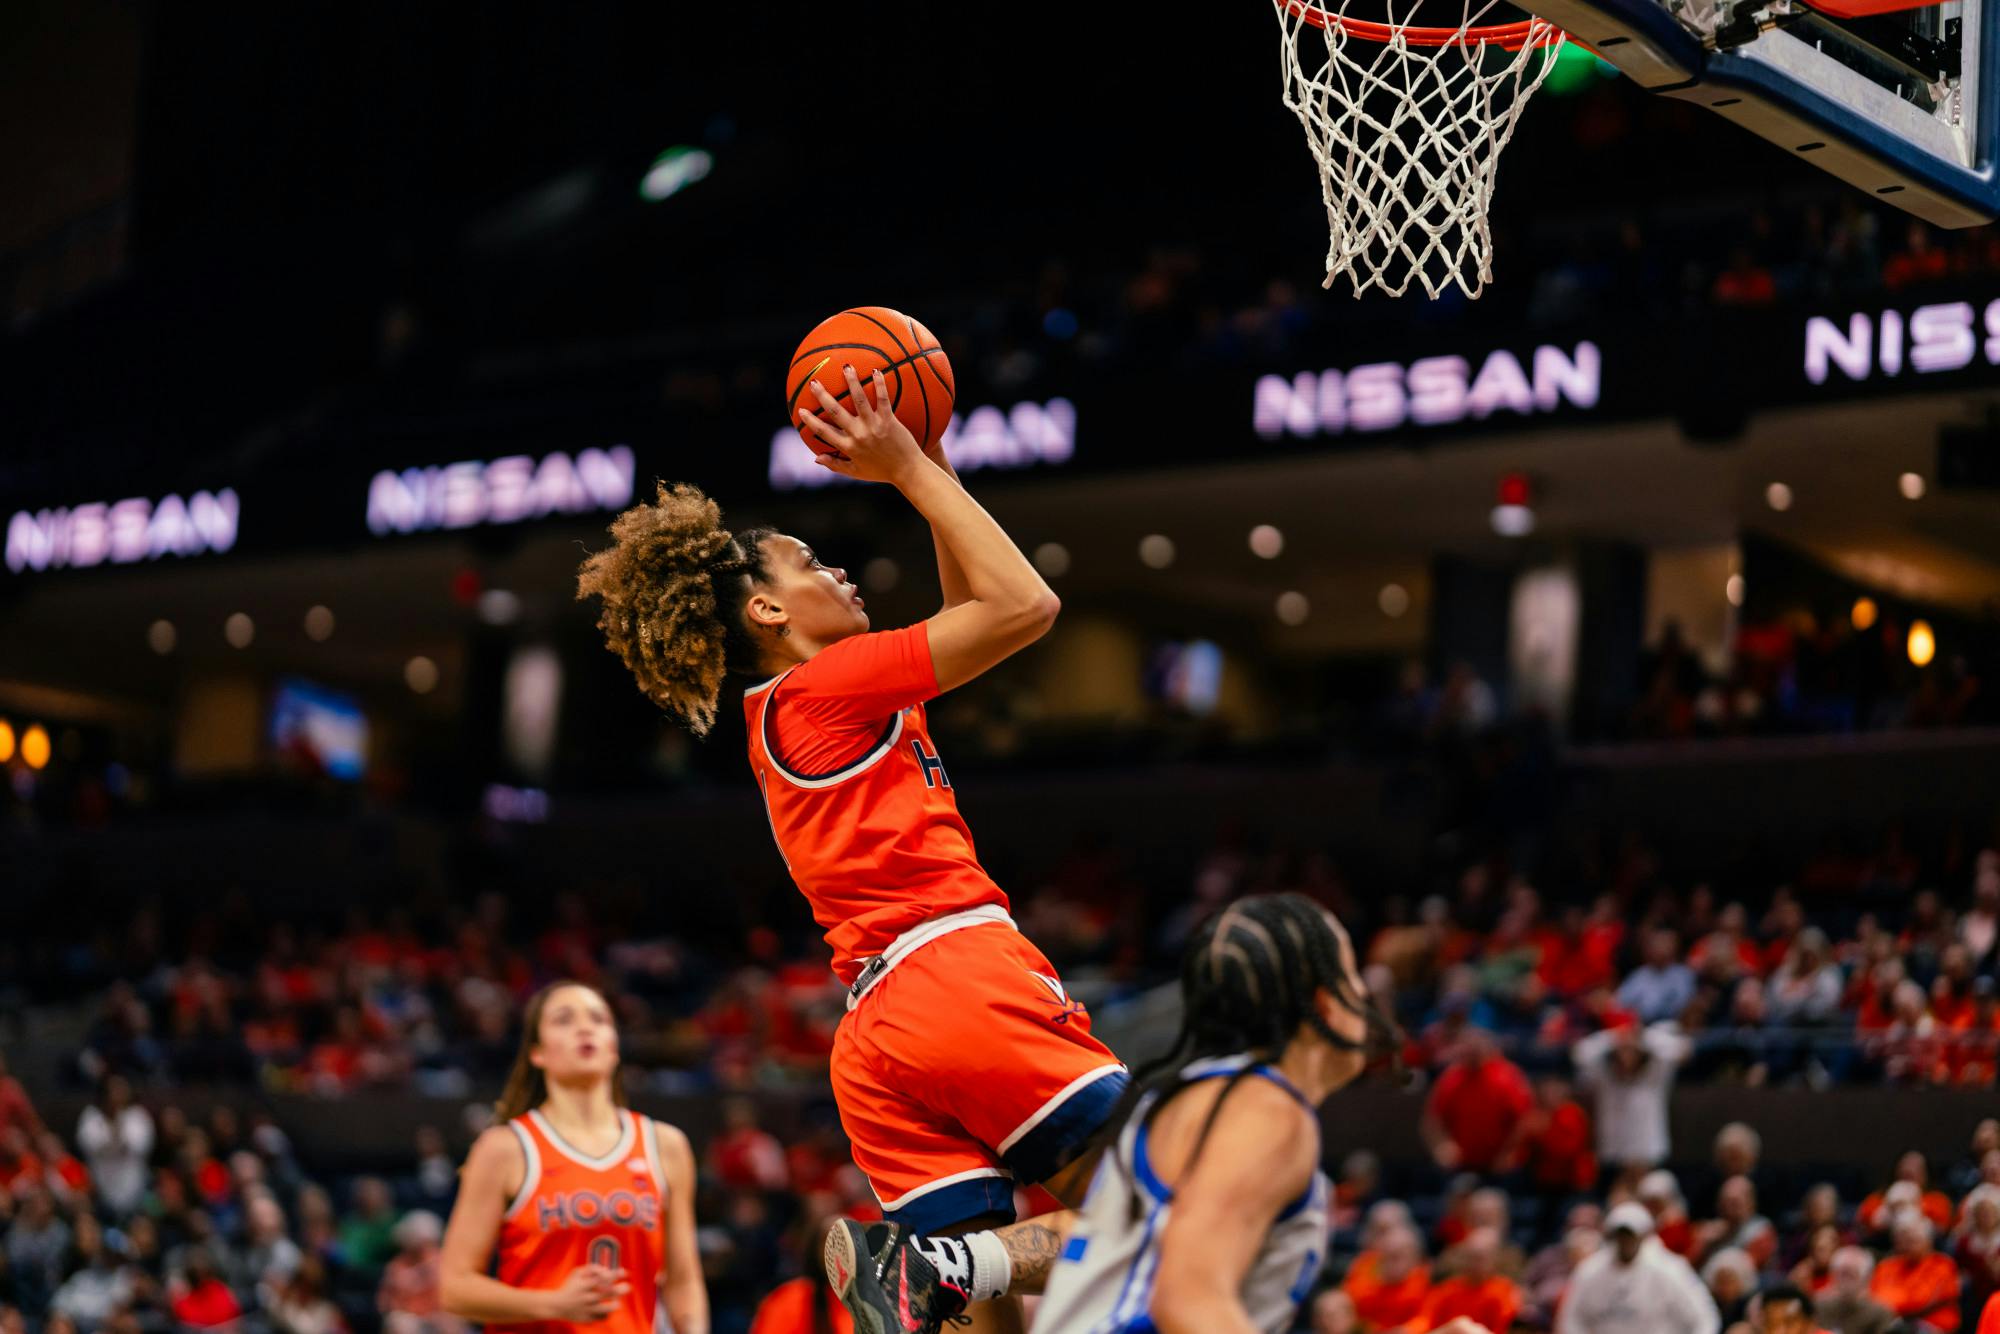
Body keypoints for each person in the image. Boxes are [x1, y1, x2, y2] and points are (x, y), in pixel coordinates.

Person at [579, 366, 1126, 1334]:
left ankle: (936, 1269)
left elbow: (970, 606)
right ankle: (951, 1263)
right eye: (809, 563)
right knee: (1165, 1194)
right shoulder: (826, 687)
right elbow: (1023, 606)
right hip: (955, 976)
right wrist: (908, 468)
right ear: (767, 611)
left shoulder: (794, 709)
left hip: (876, 1034)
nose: (840, 572)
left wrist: (933, 457)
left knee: (981, 1317)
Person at [989, 893, 1479, 1334]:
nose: (1365, 996)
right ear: (1324, 1003)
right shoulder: (1266, 1113)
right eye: (1352, 974)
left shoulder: (1204, 1101)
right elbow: (1187, 1303)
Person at [438, 980, 707, 1334]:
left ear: (614, 1047)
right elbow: (454, 1288)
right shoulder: (504, 1148)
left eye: (598, 1019)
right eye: (564, 1019)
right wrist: (553, 1304)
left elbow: (683, 1281)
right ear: (537, 1053)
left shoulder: (666, 1145)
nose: (584, 1028)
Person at [1557, 1202, 1719, 1334]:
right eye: (1620, 1235)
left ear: (1643, 1236)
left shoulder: (1669, 1269)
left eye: (1630, 1235)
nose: (1625, 1241)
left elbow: (1705, 1318)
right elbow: (1571, 1319)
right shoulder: (1590, 1270)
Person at [1574, 1022, 1690, 1183]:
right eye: (1622, 1051)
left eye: (1632, 1052)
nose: (1626, 1057)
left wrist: (1640, 1037)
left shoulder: (1655, 1076)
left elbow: (1681, 1049)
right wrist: (1615, 1036)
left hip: (1648, 1156)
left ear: (1640, 1053)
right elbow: (1581, 1052)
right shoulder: (1605, 1078)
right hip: (1614, 1158)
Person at [1423, 1030, 1534, 1175]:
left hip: (1500, 1165)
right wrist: (1442, 1145)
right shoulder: (1451, 1078)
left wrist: (1509, 1152)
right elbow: (1433, 1119)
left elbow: (1525, 1119)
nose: (1471, 1054)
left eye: (1475, 1050)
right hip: (1461, 1163)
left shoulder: (1507, 1076)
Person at [1868, 1212, 1961, 1333]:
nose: (1906, 1244)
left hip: (1931, 1326)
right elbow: (1874, 1299)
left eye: (1912, 1240)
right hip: (1891, 1324)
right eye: (1901, 1239)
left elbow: (1921, 1300)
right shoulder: (1886, 1266)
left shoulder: (1942, 1265)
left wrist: (1892, 1303)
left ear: (1928, 1241)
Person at [1814, 1248, 1896, 1334]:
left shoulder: (1880, 1312)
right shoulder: (1819, 1306)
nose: (1844, 1281)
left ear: (1865, 1278)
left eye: (1851, 1275)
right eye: (1841, 1274)